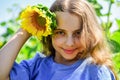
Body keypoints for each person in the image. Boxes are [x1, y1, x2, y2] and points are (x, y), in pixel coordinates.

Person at [0, 0, 118, 80]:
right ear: (49, 33)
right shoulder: (35, 67)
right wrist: (25, 31)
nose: (69, 43)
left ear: (90, 33)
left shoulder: (96, 71)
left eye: (78, 33)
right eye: (60, 32)